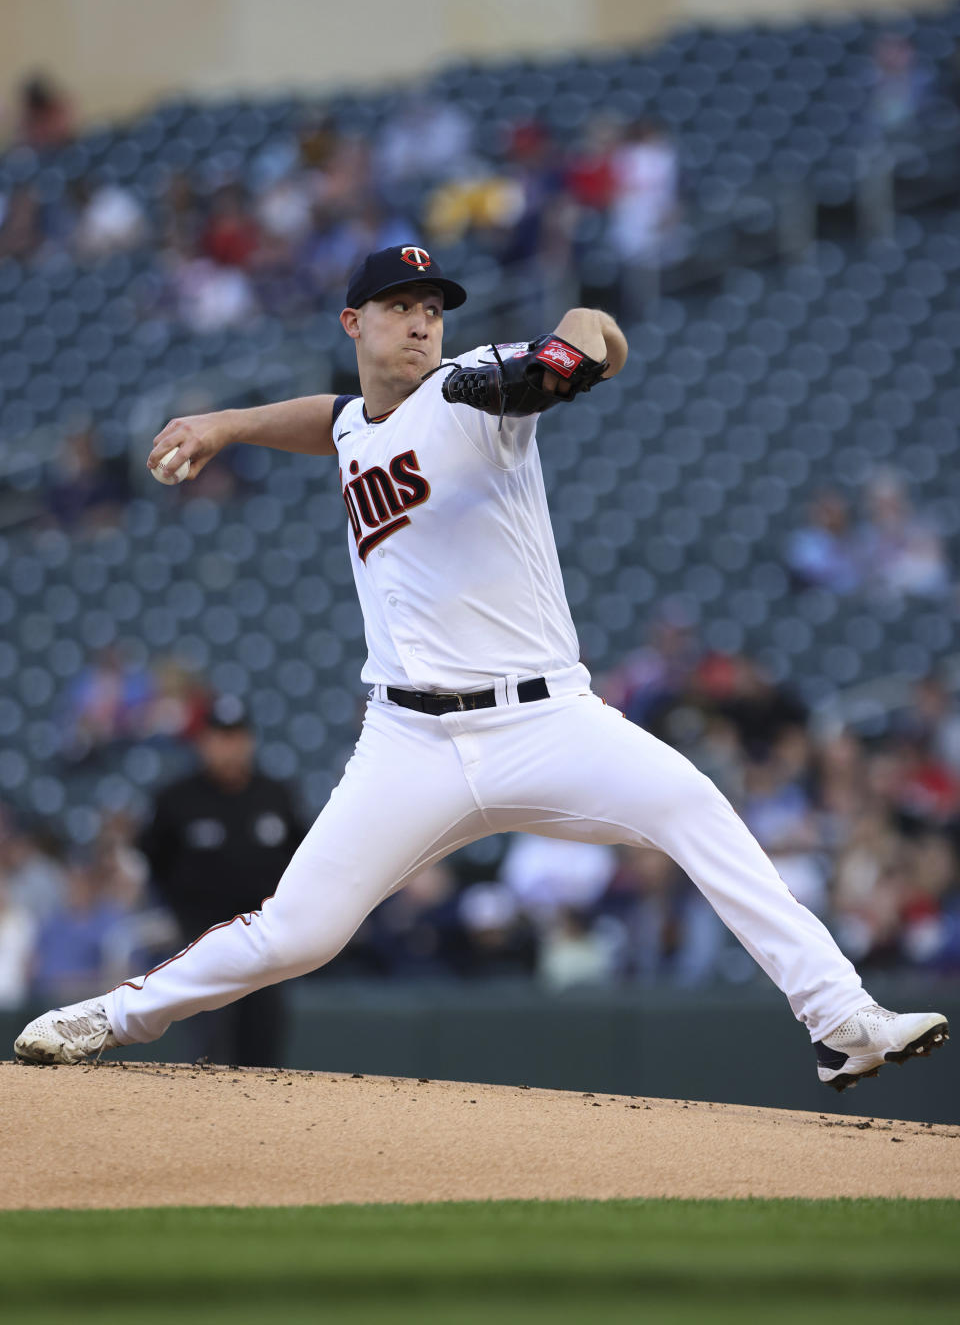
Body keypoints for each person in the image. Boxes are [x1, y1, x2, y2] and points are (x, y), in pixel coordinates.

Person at [15, 243, 949, 1093]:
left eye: (434, 306)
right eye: (399, 305)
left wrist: (577, 349)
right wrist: (226, 421)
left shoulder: (469, 389)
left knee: (694, 808)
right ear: (353, 322)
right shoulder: (355, 428)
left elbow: (587, 337)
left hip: (545, 721)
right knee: (297, 934)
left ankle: (842, 1020)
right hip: (408, 740)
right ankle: (111, 1013)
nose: (422, 321)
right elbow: (333, 421)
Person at [137, 695, 306, 1066]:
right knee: (208, 1042)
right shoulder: (176, 800)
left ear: (249, 741)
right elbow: (154, 860)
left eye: (236, 736)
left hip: (265, 938)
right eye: (219, 736)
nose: (228, 746)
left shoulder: (276, 796)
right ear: (203, 742)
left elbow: (302, 858)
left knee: (264, 1040)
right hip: (201, 937)